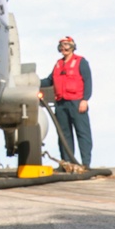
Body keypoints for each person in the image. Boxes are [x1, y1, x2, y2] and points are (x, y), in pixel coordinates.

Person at [41, 36, 92, 167]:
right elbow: (49, 81)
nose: (63, 48)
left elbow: (88, 82)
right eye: (61, 46)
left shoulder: (81, 62)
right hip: (60, 104)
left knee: (82, 132)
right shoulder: (58, 64)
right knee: (63, 135)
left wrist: (85, 100)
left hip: (76, 102)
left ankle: (85, 164)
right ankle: (66, 165)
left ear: (72, 46)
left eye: (66, 45)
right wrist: (34, 82)